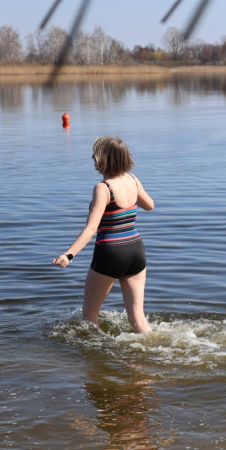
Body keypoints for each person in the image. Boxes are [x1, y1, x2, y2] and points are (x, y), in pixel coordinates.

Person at [52, 136, 155, 333]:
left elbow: (91, 228)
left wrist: (68, 255)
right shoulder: (133, 180)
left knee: (89, 315)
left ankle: (99, 358)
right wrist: (130, 197)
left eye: (95, 154)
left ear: (104, 159)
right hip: (135, 250)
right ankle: (152, 355)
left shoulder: (103, 188)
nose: (92, 157)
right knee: (138, 321)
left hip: (111, 252)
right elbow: (150, 205)